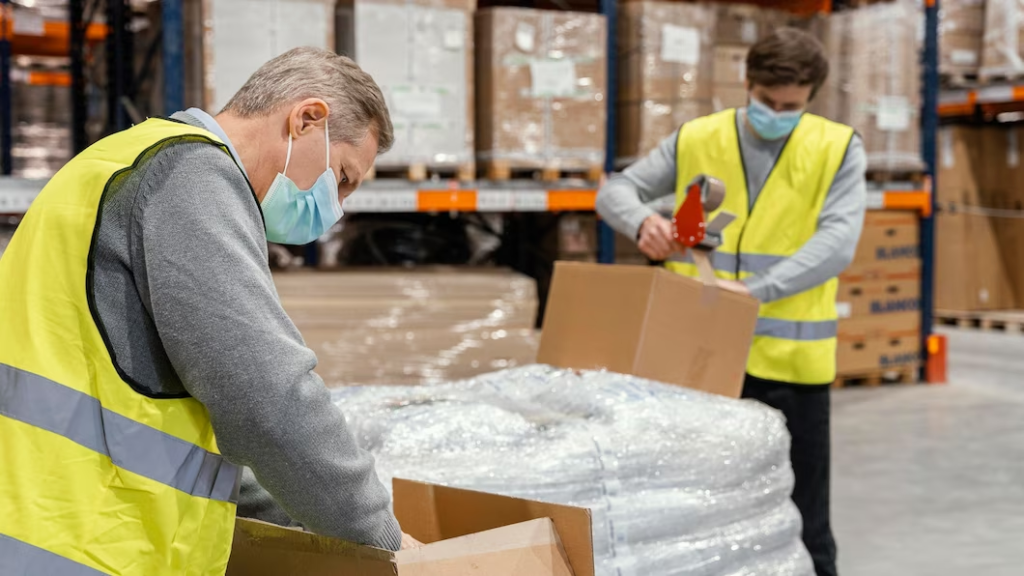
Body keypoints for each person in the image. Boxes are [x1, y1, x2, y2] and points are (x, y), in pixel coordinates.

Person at [0, 47, 407, 575]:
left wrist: (298, 514)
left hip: (37, 525)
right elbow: (267, 400)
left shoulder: (119, 158)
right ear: (307, 119)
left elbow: (179, 420)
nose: (337, 207)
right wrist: (381, 540)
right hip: (88, 546)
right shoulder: (190, 177)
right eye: (343, 178)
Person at [596, 28, 866, 576]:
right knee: (693, 509)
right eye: (766, 101)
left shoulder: (837, 148)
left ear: (811, 97)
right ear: (747, 84)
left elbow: (837, 243)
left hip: (790, 368)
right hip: (696, 361)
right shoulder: (698, 137)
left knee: (806, 520)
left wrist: (759, 293)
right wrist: (644, 220)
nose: (776, 112)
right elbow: (613, 190)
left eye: (790, 106)